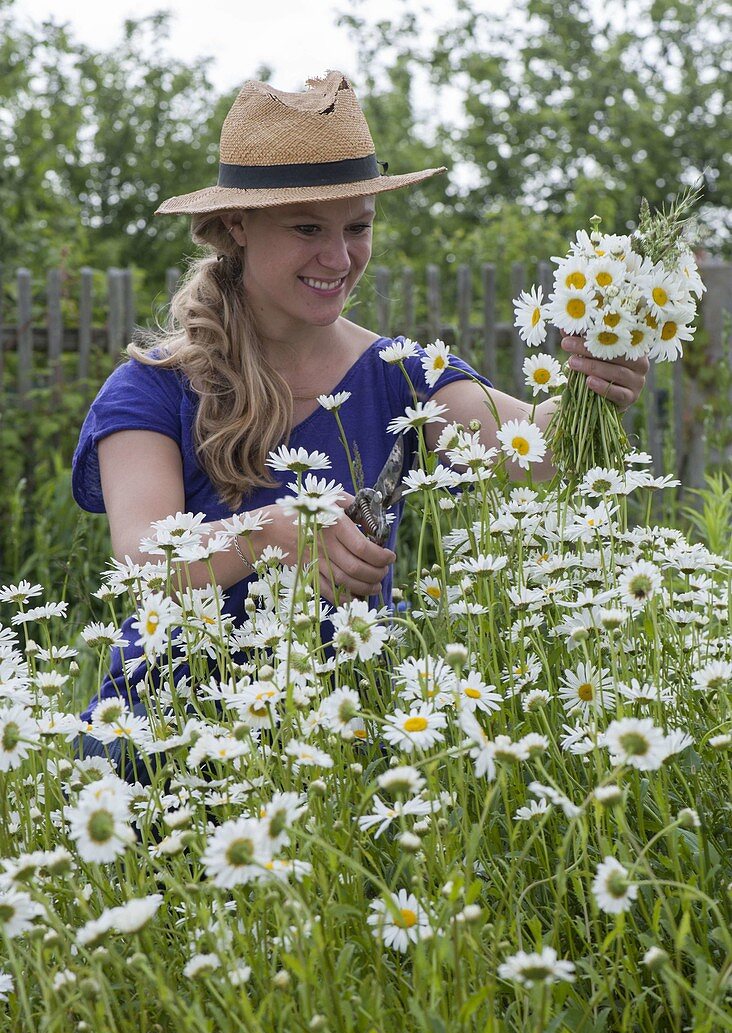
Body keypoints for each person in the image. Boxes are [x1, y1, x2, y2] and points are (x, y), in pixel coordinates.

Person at [72, 71, 648, 774]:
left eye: (359, 227)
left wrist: (597, 389)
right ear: (236, 226)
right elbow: (140, 563)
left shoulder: (401, 371)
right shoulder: (151, 389)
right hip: (161, 747)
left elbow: (536, 455)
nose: (339, 258)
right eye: (309, 227)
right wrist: (276, 532)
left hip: (342, 750)